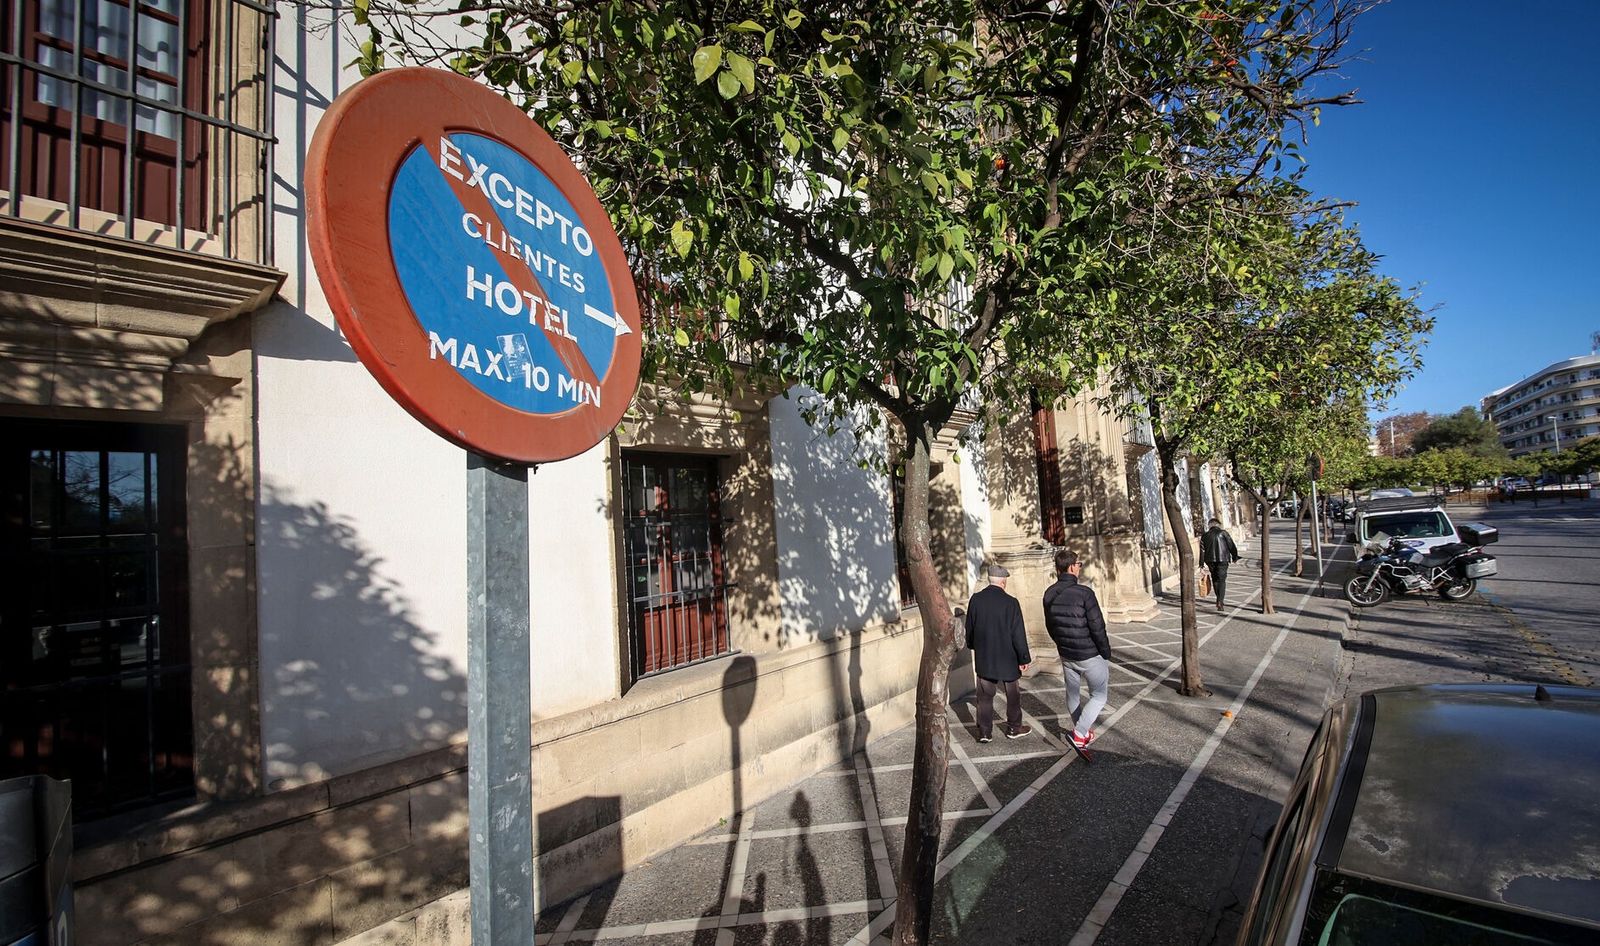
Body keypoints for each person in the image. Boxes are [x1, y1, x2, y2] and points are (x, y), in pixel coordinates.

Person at [1043, 549, 1108, 751]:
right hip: (1089, 653)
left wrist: (1061, 643)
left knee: (1073, 694)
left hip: (1066, 653)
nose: (1079, 567)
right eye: (1079, 564)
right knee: (1099, 696)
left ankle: (1083, 731)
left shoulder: (1049, 593)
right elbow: (1097, 626)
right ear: (1072, 567)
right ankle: (1079, 734)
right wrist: (1105, 651)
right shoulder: (1085, 593)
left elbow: (1050, 625)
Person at [964, 564, 1033, 742]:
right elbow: (1018, 633)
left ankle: (985, 732)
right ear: (1003, 582)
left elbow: (969, 627)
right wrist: (1023, 658)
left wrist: (972, 645)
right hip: (1008, 657)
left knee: (984, 696)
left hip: (985, 656)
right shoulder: (1011, 602)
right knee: (1013, 694)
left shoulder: (976, 600)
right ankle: (1014, 728)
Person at [1200, 517, 1240, 611]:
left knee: (1215, 579)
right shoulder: (1223, 533)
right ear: (1218, 525)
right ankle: (1220, 601)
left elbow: (1202, 551)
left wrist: (1201, 564)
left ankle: (1219, 598)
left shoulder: (1205, 536)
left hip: (1210, 561)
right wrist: (1235, 556)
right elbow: (1231, 545)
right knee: (1221, 580)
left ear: (1209, 526)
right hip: (1223, 560)